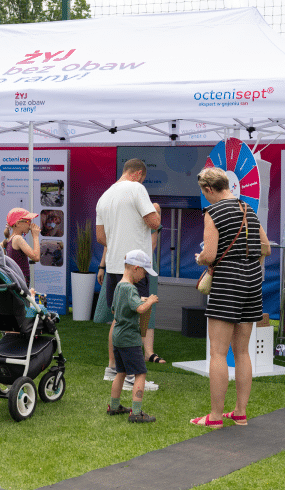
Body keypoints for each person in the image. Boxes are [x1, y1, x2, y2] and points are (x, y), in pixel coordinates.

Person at [192, 166, 270, 429]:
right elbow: (266, 248)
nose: (205, 197)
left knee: (217, 352)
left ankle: (215, 417)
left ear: (209, 189)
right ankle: (240, 412)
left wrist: (200, 259)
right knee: (242, 352)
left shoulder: (212, 212)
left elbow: (210, 255)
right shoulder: (248, 209)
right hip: (252, 280)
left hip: (227, 281)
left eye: (204, 193)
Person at [96, 158, 162, 391]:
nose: (142, 182)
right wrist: (156, 211)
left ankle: (113, 369)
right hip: (135, 268)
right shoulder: (136, 189)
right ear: (138, 174)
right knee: (135, 319)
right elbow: (153, 222)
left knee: (118, 319)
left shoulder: (104, 196)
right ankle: (132, 375)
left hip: (115, 265)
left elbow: (101, 238)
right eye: (142, 178)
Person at [107, 249, 159, 423]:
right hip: (130, 338)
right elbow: (140, 309)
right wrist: (149, 301)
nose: (144, 277)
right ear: (136, 268)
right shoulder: (131, 289)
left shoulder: (119, 286)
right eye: (144, 272)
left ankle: (114, 406)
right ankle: (136, 413)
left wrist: (139, 301)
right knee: (140, 373)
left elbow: (114, 310)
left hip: (118, 337)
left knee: (120, 372)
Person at [1, 207, 40, 286]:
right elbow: (36, 257)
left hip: (16, 281)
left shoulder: (9, 239)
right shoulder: (18, 239)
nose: (30, 224)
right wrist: (35, 236)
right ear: (18, 223)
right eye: (28, 221)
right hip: (20, 281)